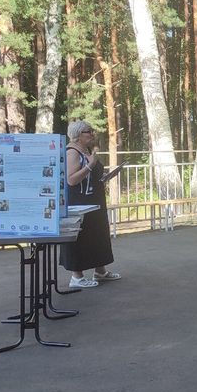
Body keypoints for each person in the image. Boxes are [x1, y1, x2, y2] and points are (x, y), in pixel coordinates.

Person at [60, 121, 118, 288]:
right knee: (81, 238)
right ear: (78, 135)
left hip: (94, 200)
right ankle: (77, 277)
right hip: (79, 202)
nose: (92, 134)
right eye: (88, 131)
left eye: (92, 131)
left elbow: (88, 176)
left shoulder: (86, 151)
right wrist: (91, 165)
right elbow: (71, 180)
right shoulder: (72, 152)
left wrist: (104, 176)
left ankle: (100, 270)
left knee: (97, 235)